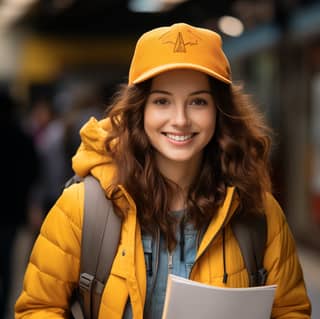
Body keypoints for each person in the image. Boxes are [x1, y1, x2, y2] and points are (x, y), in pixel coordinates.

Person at [15, 23, 311, 319]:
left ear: (219, 110)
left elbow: (291, 311)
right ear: (139, 110)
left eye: (198, 101)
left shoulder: (258, 213)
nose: (180, 119)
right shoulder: (82, 209)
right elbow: (38, 309)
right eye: (162, 101)